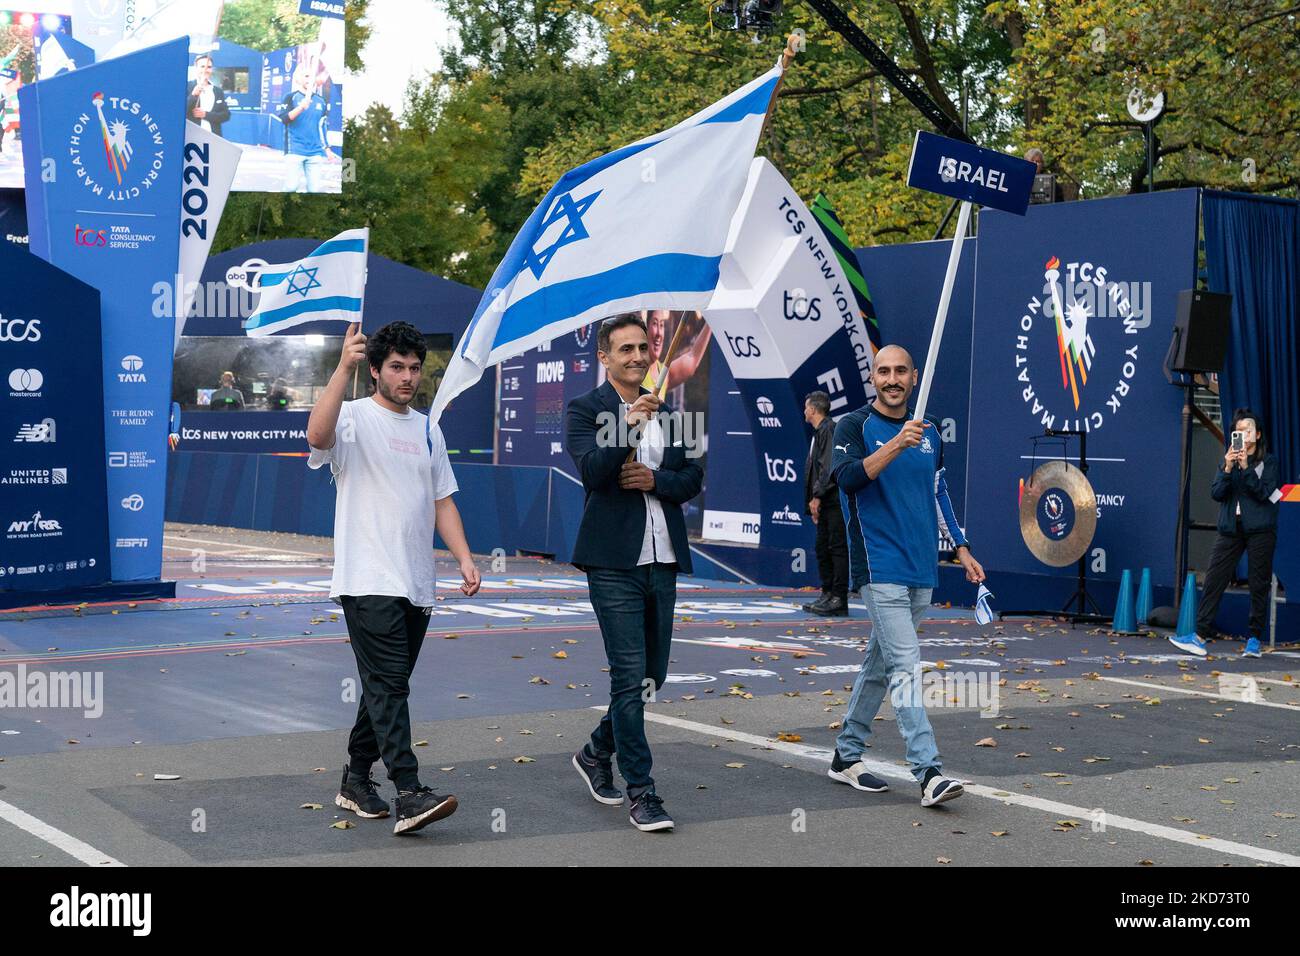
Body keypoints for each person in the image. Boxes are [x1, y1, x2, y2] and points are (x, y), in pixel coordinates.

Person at [306, 320, 482, 835]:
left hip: (417, 581)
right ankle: (409, 790)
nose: (407, 377)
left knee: (386, 685)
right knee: (388, 684)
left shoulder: (429, 428)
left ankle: (355, 778)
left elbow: (441, 499)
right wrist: (343, 366)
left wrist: (466, 558)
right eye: (397, 368)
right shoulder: (353, 417)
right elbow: (316, 436)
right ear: (377, 370)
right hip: (367, 578)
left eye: (414, 368)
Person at [828, 344, 985, 806]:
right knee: (905, 666)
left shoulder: (931, 432)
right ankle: (928, 771)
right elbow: (849, 478)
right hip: (879, 567)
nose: (892, 379)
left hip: (922, 568)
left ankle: (845, 754)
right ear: (872, 378)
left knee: (881, 663)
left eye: (900, 371)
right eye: (883, 372)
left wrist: (961, 547)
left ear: (914, 377)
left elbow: (940, 495)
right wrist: (897, 443)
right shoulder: (853, 426)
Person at [565, 314, 704, 832]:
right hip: (611, 561)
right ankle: (642, 792)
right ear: (605, 357)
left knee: (652, 677)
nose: (637, 357)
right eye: (625, 349)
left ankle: (595, 751)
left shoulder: (670, 412)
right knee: (628, 675)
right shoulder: (585, 409)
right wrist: (628, 427)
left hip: (662, 558)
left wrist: (653, 479)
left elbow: (691, 477)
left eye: (642, 348)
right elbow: (594, 472)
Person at [1170, 408, 1280, 658]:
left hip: (1260, 529)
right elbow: (1217, 493)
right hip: (1231, 528)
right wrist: (1229, 467)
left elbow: (1264, 493)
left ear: (1258, 434)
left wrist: (1246, 467)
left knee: (1258, 583)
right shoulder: (1228, 460)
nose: (1243, 434)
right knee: (1214, 578)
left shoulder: (1268, 462)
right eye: (1238, 430)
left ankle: (1254, 639)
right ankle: (1199, 635)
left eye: (1247, 429)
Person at [802, 390, 848, 616]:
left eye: (805, 407)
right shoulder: (820, 431)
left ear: (812, 409)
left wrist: (817, 496)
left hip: (834, 500)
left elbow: (828, 467)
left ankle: (839, 598)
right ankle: (828, 593)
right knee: (823, 549)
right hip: (825, 501)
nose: (804, 411)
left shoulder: (828, 429)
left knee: (836, 548)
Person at [280, 64, 338, 192]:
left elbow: (321, 127)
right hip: (294, 150)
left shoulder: (321, 101)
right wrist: (301, 107)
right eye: (306, 76)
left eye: (312, 76)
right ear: (298, 78)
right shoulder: (290, 97)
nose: (309, 79)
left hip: (315, 152)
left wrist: (327, 149)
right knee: (291, 187)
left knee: (314, 190)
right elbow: (284, 119)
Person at [186, 54, 231, 137]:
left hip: (214, 139)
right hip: (192, 139)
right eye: (202, 66)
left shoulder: (218, 91)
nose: (205, 70)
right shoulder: (187, 87)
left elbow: (226, 115)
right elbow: (180, 112)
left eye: (209, 67)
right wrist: (193, 95)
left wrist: (206, 115)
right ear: (196, 68)